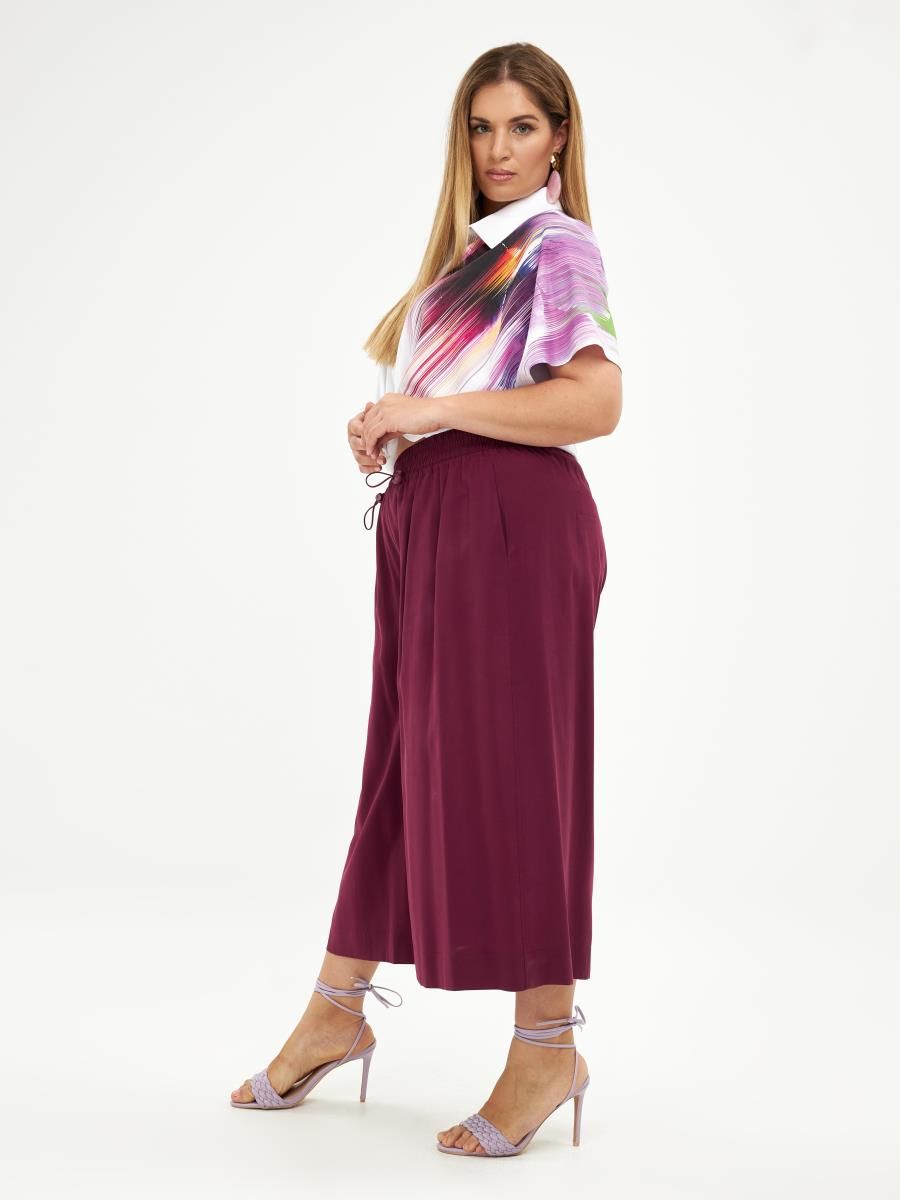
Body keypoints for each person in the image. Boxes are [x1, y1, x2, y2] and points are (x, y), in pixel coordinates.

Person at [230, 42, 623, 1159]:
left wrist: (432, 415)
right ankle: (337, 1008)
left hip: (512, 525)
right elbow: (446, 395)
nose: (499, 149)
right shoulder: (465, 257)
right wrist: (388, 426)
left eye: (522, 127)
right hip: (434, 522)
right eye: (481, 127)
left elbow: (596, 402)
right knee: (400, 769)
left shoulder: (557, 246)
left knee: (520, 778)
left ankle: (547, 1044)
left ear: (559, 139)